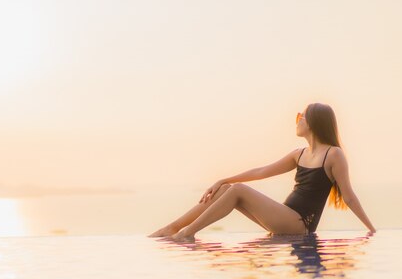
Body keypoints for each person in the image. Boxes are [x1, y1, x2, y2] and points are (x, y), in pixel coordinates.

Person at [148, 103, 376, 243]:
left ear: (314, 122)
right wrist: (223, 179)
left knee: (237, 191)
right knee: (228, 189)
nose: (297, 120)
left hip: (299, 223)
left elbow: (349, 196)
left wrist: (371, 229)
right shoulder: (300, 153)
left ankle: (187, 232)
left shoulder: (333, 154)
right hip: (284, 217)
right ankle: (173, 228)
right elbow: (263, 171)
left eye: (301, 116)